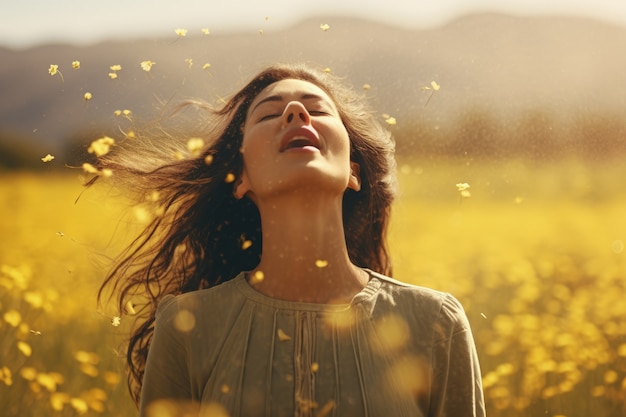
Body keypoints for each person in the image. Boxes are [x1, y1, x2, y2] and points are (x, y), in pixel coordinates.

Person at [96, 63, 485, 417]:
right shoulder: (186, 326)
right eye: (268, 113)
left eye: (316, 110)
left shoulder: (435, 322)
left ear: (354, 171)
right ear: (240, 178)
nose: (296, 114)